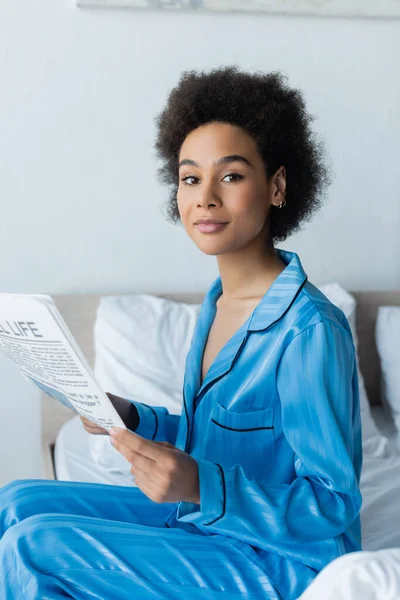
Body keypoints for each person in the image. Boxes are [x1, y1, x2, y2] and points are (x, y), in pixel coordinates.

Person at [0, 66, 362, 600]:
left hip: (283, 562)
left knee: (34, 545)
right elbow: (215, 438)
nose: (205, 197)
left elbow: (332, 505)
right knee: (15, 502)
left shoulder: (310, 331)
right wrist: (133, 418)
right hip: (210, 523)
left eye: (232, 176)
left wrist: (200, 486)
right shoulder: (217, 305)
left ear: (278, 186)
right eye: (191, 178)